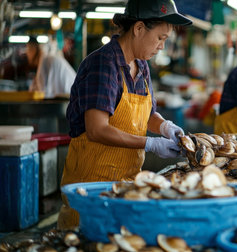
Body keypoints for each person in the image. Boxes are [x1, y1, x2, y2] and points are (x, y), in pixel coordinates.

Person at [58, 0, 192, 229]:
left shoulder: (142, 65)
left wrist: (164, 127)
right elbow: (97, 129)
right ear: (139, 29)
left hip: (127, 187)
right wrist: (150, 144)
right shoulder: (104, 64)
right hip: (92, 189)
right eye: (160, 38)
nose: (161, 47)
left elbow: (148, 115)